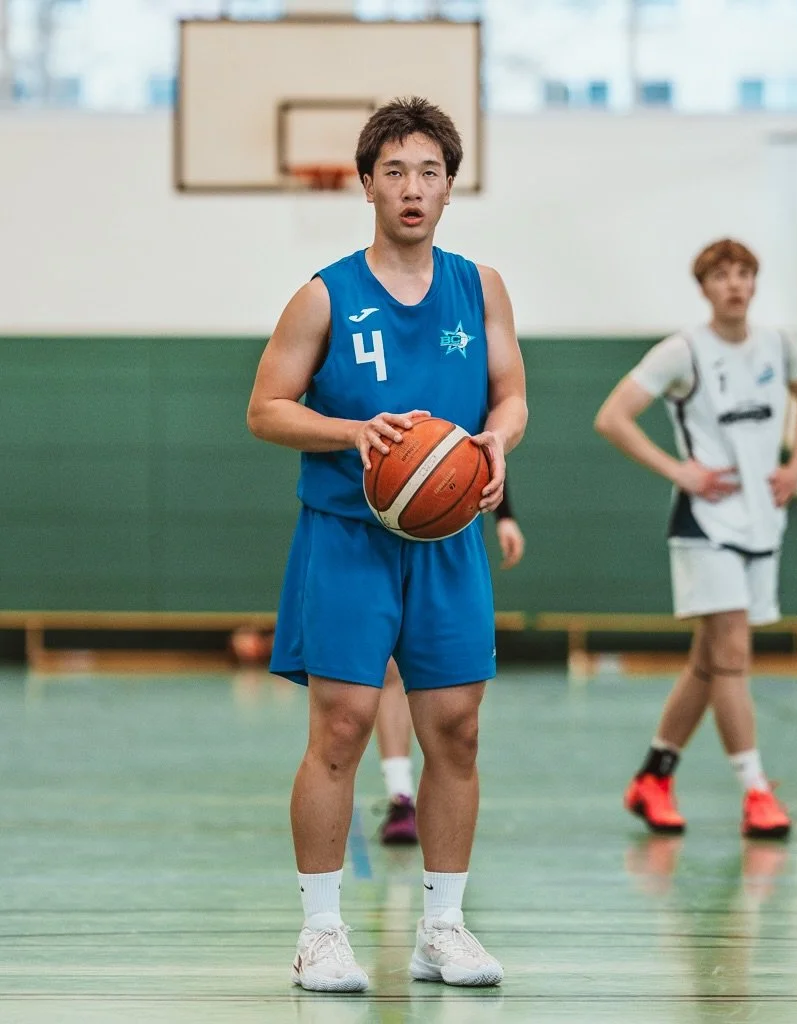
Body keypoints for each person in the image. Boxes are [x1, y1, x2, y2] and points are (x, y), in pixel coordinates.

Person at [247, 97, 527, 992]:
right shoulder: (324, 292)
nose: (413, 188)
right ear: (366, 183)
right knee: (341, 726)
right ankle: (320, 931)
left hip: (447, 542)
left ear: (451, 187)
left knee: (458, 728)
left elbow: (511, 392)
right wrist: (350, 431)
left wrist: (496, 442)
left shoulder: (479, 285)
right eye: (395, 171)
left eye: (429, 172)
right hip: (345, 538)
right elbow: (265, 410)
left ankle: (441, 927)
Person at [595, 238, 797, 840]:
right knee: (732, 656)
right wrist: (678, 471)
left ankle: (653, 776)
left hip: (760, 521)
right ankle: (756, 791)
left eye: (745, 273)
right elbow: (612, 416)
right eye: (722, 275)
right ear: (705, 287)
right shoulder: (683, 351)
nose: (736, 284)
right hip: (706, 525)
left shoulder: (780, 344)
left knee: (708, 660)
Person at [377, 488, 526, 845]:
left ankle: (446, 804)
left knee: (453, 704)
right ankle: (401, 796)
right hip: (373, 531)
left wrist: (504, 515)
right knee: (389, 672)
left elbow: (479, 444)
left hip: (445, 537)